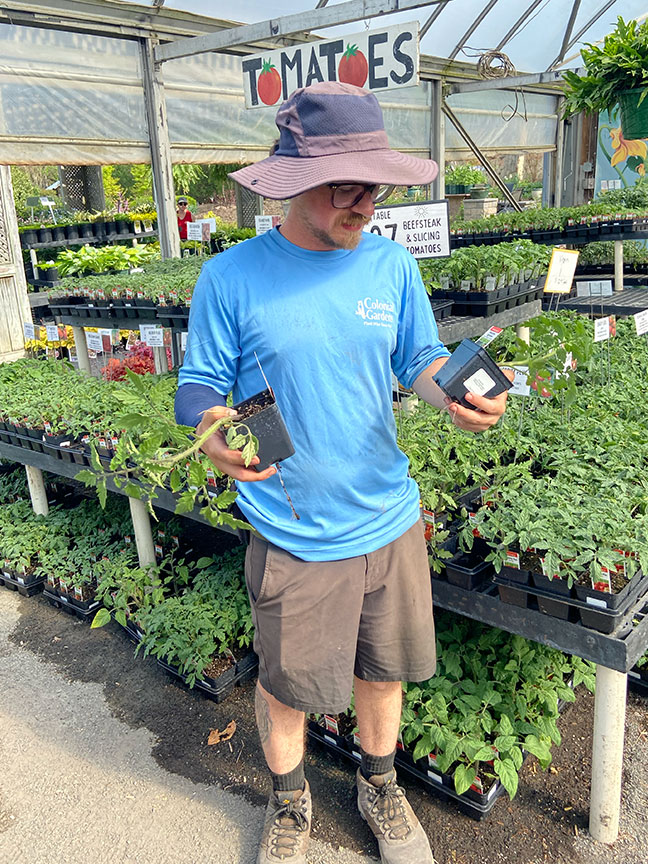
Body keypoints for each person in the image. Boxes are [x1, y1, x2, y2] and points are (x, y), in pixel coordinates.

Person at [175, 82, 511, 864]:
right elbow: (198, 384)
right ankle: (290, 803)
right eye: (346, 187)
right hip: (293, 527)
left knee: (383, 671)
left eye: (375, 187)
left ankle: (379, 786)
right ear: (294, 181)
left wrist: (455, 396)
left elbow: (419, 356)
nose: (365, 203)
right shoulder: (231, 277)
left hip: (387, 516)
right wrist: (211, 427)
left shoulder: (390, 266)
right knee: (287, 684)